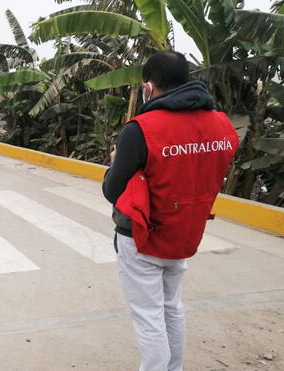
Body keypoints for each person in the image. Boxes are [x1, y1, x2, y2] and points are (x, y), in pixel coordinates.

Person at [102, 51, 238, 371]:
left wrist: (115, 161)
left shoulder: (141, 129)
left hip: (142, 234)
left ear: (149, 86)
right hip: (185, 232)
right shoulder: (221, 124)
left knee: (149, 317)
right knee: (171, 308)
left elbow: (112, 190)